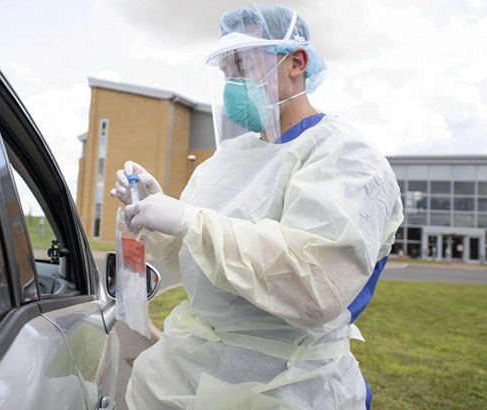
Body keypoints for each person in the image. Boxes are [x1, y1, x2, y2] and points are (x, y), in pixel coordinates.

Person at [111, 4, 403, 410]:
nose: (232, 82)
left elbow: (313, 284)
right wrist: (158, 220)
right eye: (226, 71)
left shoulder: (347, 157)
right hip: (183, 372)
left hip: (291, 384)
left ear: (295, 62)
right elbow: (196, 263)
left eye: (243, 65)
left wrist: (190, 220)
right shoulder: (224, 161)